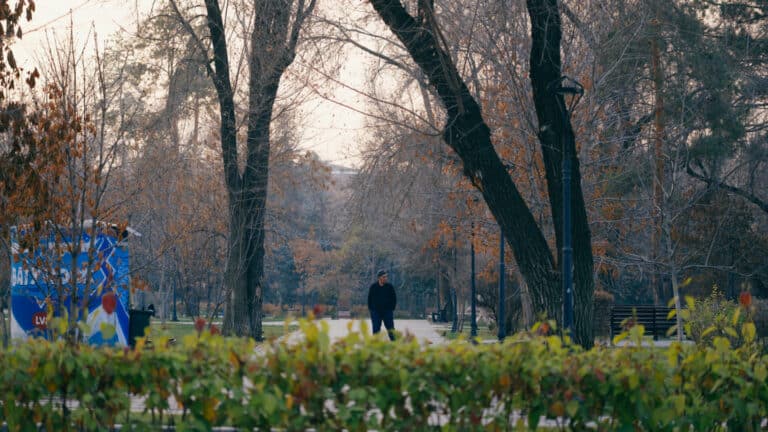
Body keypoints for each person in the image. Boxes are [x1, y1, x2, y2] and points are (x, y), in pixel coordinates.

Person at [367, 269, 397, 341]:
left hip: (387, 312)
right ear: (379, 278)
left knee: (391, 330)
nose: (385, 278)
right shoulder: (373, 287)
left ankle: (395, 345)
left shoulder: (390, 287)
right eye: (384, 277)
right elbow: (369, 299)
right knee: (376, 331)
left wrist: (391, 309)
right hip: (376, 312)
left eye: (386, 277)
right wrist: (372, 310)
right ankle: (375, 346)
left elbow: (394, 299)